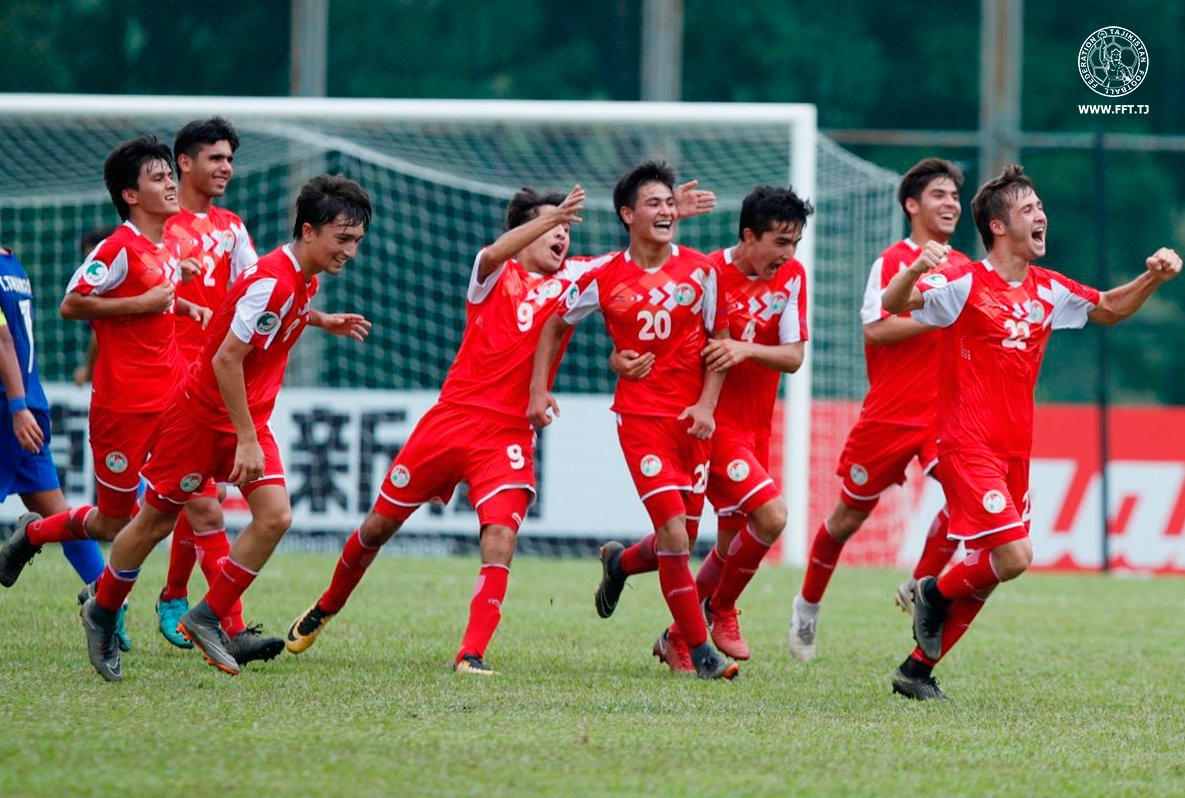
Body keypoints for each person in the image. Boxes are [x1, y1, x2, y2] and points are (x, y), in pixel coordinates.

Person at [285, 179, 714, 675]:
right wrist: (549, 217)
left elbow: (636, 257)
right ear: (525, 231)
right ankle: (326, 606)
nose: (561, 238)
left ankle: (471, 653)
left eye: (566, 229)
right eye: (551, 227)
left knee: (500, 540)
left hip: (508, 436)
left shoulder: (579, 277)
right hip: (451, 421)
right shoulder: (492, 275)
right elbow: (492, 253)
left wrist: (664, 213)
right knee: (379, 526)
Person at [882, 164, 1181, 700]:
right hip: (965, 443)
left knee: (995, 567)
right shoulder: (964, 283)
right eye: (1028, 209)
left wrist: (1154, 278)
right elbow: (894, 305)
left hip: (1014, 451)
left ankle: (917, 670)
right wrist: (912, 272)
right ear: (998, 227)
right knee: (1016, 556)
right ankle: (931, 591)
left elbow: (1109, 308)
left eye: (1041, 206)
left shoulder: (1049, 289)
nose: (1041, 215)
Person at [76, 174, 372, 682]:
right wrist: (248, 437)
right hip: (200, 422)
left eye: (357, 241)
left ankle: (208, 615)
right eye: (342, 239)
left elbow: (270, 324)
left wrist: (323, 321)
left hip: (242, 420)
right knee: (154, 523)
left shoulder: (302, 279)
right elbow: (226, 360)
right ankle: (101, 611)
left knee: (275, 516)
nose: (350, 250)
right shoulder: (273, 280)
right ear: (307, 231)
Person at [529, 161, 738, 680]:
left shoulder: (703, 270)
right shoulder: (604, 276)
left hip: (693, 422)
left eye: (670, 203)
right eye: (654, 203)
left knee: (679, 540)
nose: (666, 211)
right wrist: (542, 387)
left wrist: (708, 406)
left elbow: (719, 342)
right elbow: (555, 325)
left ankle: (619, 564)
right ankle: (698, 650)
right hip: (640, 419)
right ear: (627, 214)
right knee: (674, 535)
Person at [610, 185, 812, 668]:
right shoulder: (705, 273)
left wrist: (747, 350)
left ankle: (646, 596)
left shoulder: (793, 278)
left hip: (755, 428)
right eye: (781, 242)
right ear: (749, 235)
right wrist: (618, 356)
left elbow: (794, 357)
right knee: (772, 517)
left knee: (722, 544)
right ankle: (719, 609)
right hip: (707, 423)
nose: (789, 254)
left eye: (795, 243)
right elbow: (650, 326)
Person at [1, 136, 209, 581]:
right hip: (123, 408)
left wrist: (183, 306)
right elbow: (72, 304)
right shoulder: (116, 248)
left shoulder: (169, 246)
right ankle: (37, 537)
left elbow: (157, 300)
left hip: (172, 400)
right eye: (158, 178)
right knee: (116, 522)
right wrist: (144, 304)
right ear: (131, 196)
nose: (172, 184)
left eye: (171, 174)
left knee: (199, 505)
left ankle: (213, 621)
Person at [788, 158, 970, 663]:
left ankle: (919, 586)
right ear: (912, 204)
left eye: (955, 195)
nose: (951, 202)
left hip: (944, 417)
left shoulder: (966, 269)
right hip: (890, 413)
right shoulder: (892, 261)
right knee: (846, 520)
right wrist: (939, 319)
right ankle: (807, 606)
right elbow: (876, 329)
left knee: (967, 500)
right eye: (939, 194)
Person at [153, 117, 263, 654]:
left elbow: (259, 288)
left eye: (229, 159)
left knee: (199, 496)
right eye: (215, 158)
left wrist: (315, 316)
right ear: (185, 163)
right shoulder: (161, 229)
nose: (225, 168)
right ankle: (229, 626)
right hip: (164, 378)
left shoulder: (232, 227)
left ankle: (173, 595)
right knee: (191, 506)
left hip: (214, 378)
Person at [0, 242, 133, 645]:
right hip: (28, 402)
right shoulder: (12, 264)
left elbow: (3, 342)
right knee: (57, 512)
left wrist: (16, 406)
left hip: (10, 405)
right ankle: (109, 607)